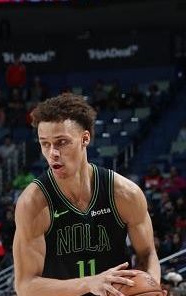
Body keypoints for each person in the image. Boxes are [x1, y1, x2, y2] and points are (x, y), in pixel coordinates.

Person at [13, 94, 162, 296]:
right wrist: (89, 283)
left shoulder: (124, 193)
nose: (52, 153)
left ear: (85, 138)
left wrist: (150, 284)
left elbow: (147, 253)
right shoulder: (33, 203)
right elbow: (25, 285)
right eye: (45, 144)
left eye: (61, 142)